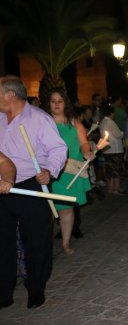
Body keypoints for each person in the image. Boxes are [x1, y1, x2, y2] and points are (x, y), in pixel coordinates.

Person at [0, 75, 68, 309]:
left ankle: (36, 288)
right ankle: (3, 291)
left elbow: (59, 149)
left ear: (10, 95)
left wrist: (49, 171)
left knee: (36, 240)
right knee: (2, 241)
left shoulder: (39, 119)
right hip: (2, 187)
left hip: (33, 185)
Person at [46, 88, 94, 255]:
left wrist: (86, 151)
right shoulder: (43, 122)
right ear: (49, 103)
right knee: (47, 211)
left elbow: (83, 143)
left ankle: (65, 243)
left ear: (65, 103)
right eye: (53, 101)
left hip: (69, 171)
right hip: (49, 172)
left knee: (66, 209)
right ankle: (46, 244)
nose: (57, 104)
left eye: (60, 101)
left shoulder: (74, 122)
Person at [99, 106, 125, 195]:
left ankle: (110, 187)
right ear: (111, 113)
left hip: (106, 149)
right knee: (116, 169)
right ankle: (116, 188)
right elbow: (118, 135)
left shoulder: (102, 122)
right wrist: (122, 133)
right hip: (115, 149)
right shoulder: (111, 122)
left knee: (109, 169)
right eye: (113, 113)